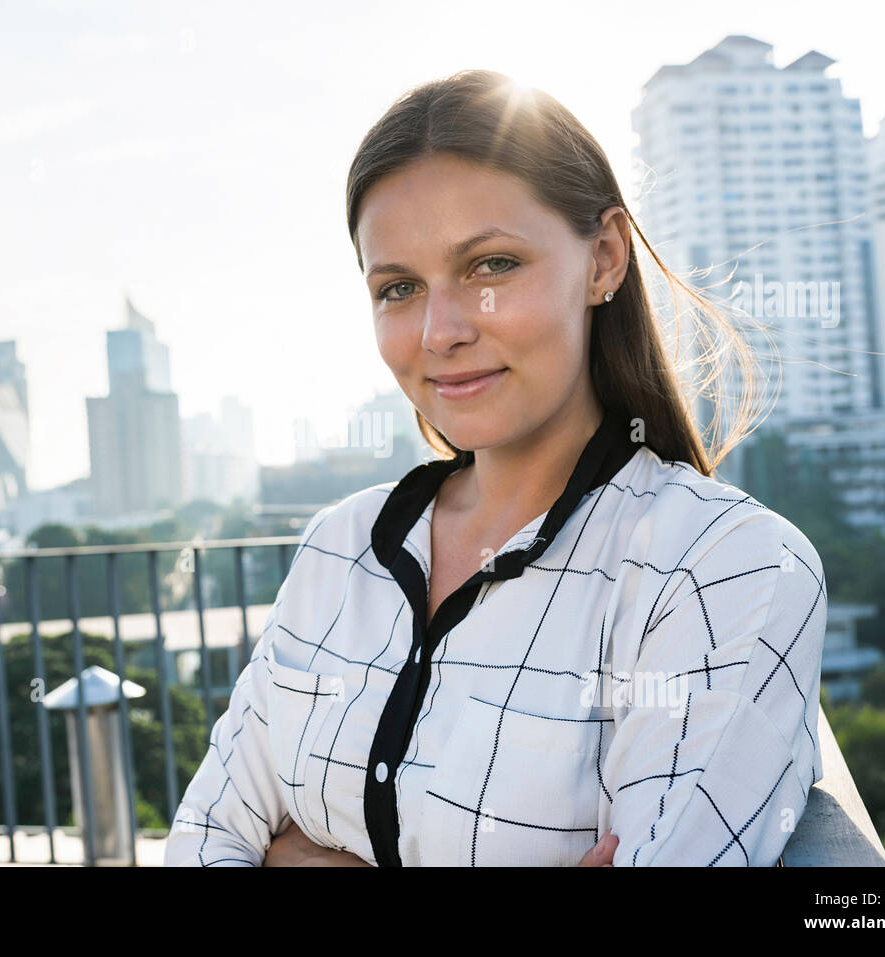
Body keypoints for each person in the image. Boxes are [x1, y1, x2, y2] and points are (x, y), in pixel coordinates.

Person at [163, 69, 827, 867]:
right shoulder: (337, 549)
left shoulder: (719, 566)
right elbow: (202, 843)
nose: (440, 330)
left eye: (491, 266)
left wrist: (299, 856)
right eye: (399, 287)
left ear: (604, 259)